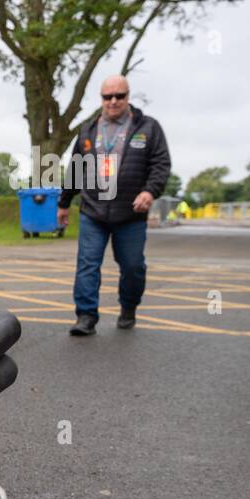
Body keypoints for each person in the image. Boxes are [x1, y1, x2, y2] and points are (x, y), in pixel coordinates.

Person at [58, 75, 170, 335]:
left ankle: (129, 306)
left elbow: (160, 165)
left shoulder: (148, 128)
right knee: (87, 264)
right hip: (92, 210)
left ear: (128, 96)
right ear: (101, 99)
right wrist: (64, 204)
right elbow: (75, 170)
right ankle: (86, 316)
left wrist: (149, 191)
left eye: (119, 95)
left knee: (132, 267)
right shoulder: (87, 130)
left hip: (131, 212)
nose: (113, 101)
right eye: (108, 96)